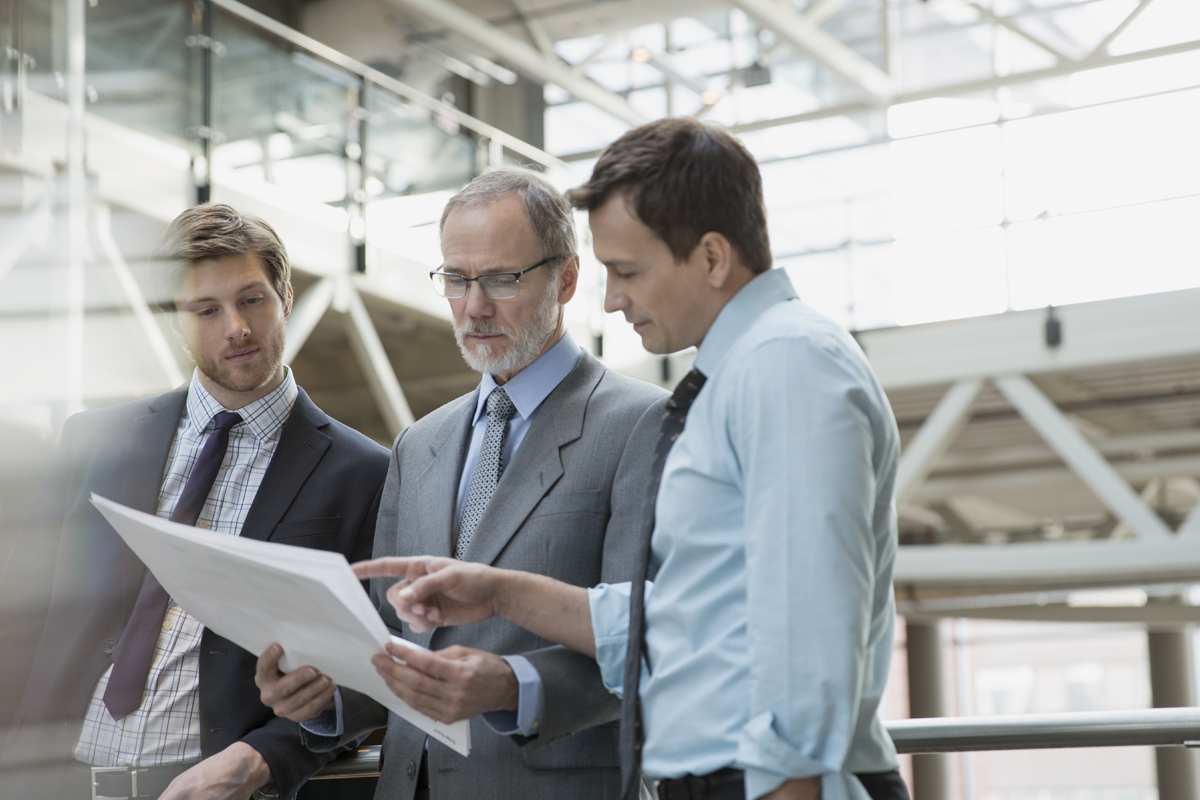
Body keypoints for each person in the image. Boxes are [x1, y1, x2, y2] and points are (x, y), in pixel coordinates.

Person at [348, 118, 911, 800]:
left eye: (627, 271)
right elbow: (674, 619)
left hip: (766, 783)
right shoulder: (744, 373)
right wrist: (498, 590)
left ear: (710, 257)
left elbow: (809, 640)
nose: (612, 299)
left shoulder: (787, 365)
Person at [256, 167, 668, 800]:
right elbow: (390, 645)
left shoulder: (641, 423)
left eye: (501, 279)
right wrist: (325, 695)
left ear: (566, 278)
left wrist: (514, 684)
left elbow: (649, 642)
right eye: (456, 278)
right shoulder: (419, 445)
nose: (474, 306)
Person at [0, 204, 390, 800]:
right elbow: (21, 617)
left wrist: (262, 758)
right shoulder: (95, 440)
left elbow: (376, 668)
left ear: (285, 296)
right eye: (206, 310)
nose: (236, 326)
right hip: (54, 782)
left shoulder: (366, 472)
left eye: (252, 299)